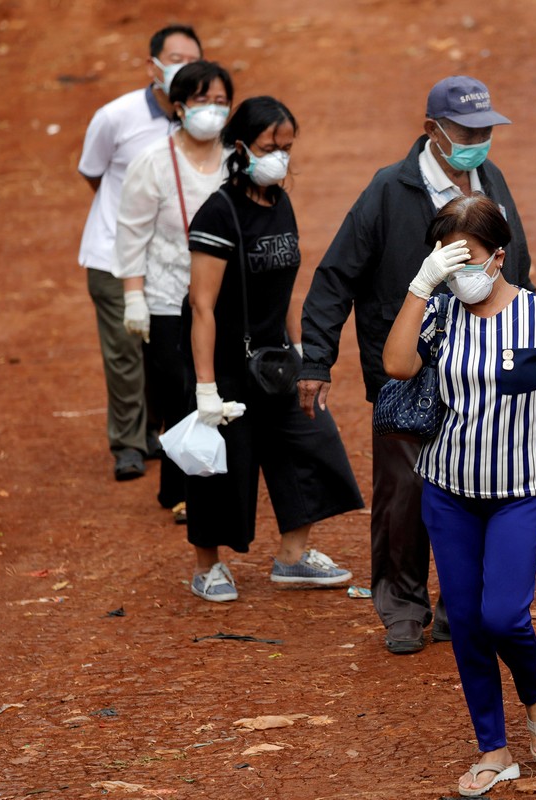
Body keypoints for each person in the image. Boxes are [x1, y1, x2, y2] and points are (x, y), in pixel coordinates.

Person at [299, 76, 535, 654]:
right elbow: (337, 275)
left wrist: (526, 341)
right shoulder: (390, 190)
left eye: (486, 131)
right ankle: (403, 610)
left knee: (477, 484)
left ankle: (459, 606)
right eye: (468, 131)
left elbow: (517, 266)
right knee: (403, 496)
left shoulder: (490, 182)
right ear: (434, 130)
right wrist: (317, 358)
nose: (479, 141)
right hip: (405, 369)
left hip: (479, 366)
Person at [382, 194, 536, 796]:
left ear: (499, 257)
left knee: (503, 615)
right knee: (467, 626)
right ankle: (493, 749)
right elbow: (397, 364)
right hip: (449, 490)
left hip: (521, 492)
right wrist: (420, 286)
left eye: (469, 260)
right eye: (447, 260)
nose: (460, 274)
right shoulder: (441, 311)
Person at [183, 96, 364, 602]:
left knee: (312, 440)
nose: (280, 157)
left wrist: (302, 348)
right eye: (270, 146)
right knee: (222, 462)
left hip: (276, 358)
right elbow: (202, 306)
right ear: (240, 146)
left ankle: (292, 557)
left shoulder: (279, 202)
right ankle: (208, 566)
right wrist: (204, 389)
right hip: (222, 361)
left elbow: (286, 286)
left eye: (287, 147)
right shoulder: (218, 214)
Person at [77, 25, 203, 481]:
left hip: (170, 262)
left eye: (193, 58)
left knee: (164, 349)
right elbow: (93, 174)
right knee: (126, 351)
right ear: (152, 66)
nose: (183, 66)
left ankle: (154, 431)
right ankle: (129, 445)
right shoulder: (115, 117)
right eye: (174, 57)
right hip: (113, 255)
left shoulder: (201, 118)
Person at [113, 61, 234, 524]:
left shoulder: (234, 159)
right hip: (168, 298)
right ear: (180, 107)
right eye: (203, 100)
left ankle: (208, 476)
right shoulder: (153, 163)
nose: (213, 110)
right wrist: (134, 296)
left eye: (221, 101)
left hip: (222, 295)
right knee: (182, 389)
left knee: (219, 382)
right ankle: (182, 489)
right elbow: (131, 235)